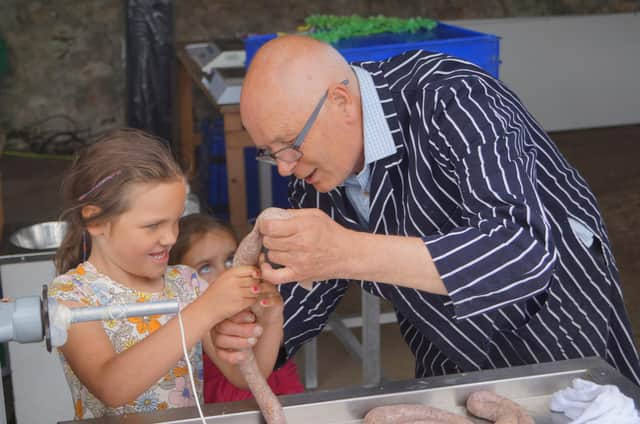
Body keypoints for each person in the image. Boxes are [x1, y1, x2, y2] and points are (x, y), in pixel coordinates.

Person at [212, 34, 640, 385]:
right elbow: (305, 294)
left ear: (341, 101)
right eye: (270, 154)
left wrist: (346, 252)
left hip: (552, 315)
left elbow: (522, 249)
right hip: (442, 337)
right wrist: (253, 324)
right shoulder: (317, 174)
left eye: (290, 146)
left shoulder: (453, 97)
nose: (285, 169)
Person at [49, 129, 278, 419]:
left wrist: (270, 318)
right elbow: (112, 387)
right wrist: (205, 310)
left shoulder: (186, 282)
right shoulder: (70, 297)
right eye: (152, 226)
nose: (170, 237)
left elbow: (241, 376)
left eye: (176, 221)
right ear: (96, 220)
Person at [169, 213, 304, 403]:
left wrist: (270, 317)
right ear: (180, 281)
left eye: (231, 260)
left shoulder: (255, 297)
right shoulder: (199, 316)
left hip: (280, 395)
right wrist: (270, 321)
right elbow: (247, 378)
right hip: (232, 407)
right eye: (206, 268)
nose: (226, 274)